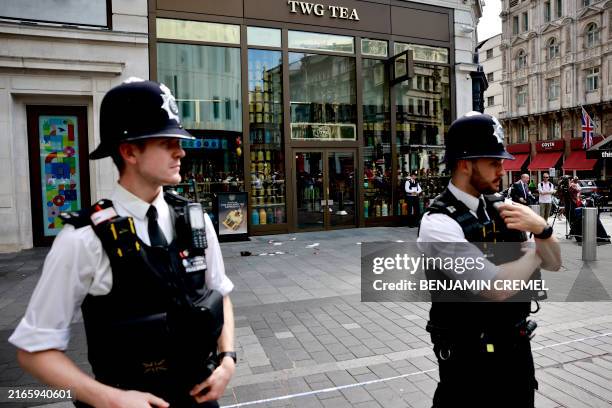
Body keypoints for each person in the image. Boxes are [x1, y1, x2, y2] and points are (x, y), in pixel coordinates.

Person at [9, 79, 236, 408]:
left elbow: (220, 294)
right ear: (129, 151)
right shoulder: (83, 240)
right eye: (167, 141)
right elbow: (34, 350)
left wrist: (227, 359)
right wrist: (110, 399)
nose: (181, 151)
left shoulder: (195, 220)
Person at [418, 111, 561, 408]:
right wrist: (536, 249)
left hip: (515, 348)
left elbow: (555, 262)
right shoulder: (438, 224)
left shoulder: (503, 206)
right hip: (468, 358)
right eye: (493, 163)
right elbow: (495, 287)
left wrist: (542, 229)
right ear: (465, 164)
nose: (502, 170)